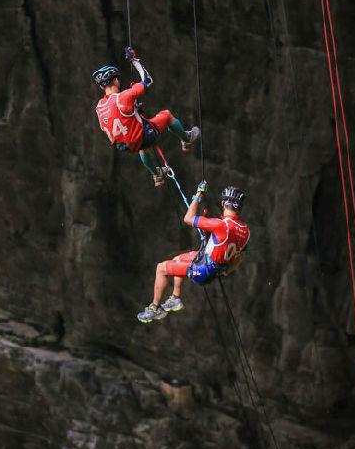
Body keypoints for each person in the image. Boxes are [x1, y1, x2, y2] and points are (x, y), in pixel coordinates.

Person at [137, 184, 250, 322]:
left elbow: (188, 218)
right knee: (178, 258)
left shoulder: (219, 224)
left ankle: (154, 309)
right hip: (213, 266)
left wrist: (198, 195)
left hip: (203, 269)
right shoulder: (245, 231)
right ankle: (175, 298)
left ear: (223, 203)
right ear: (240, 208)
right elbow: (240, 255)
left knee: (161, 268)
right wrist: (227, 270)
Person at [92, 48, 200, 187]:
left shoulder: (99, 107)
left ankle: (157, 175)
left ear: (102, 87)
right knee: (166, 115)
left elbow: (115, 120)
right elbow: (148, 80)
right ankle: (186, 139)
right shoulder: (124, 96)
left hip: (124, 146)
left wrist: (134, 111)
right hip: (142, 137)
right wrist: (134, 61)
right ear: (116, 80)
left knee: (142, 147)